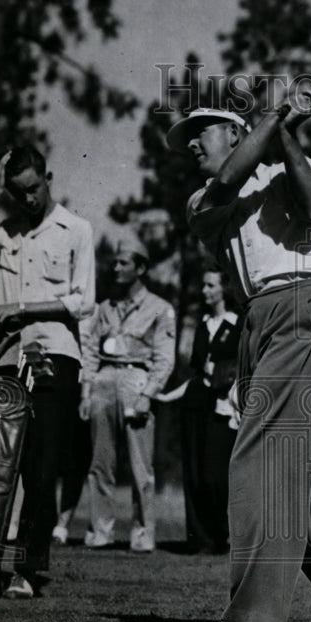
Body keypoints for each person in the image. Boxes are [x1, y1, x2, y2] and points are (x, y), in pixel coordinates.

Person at [174, 98, 311, 622]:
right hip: (256, 322)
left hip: (303, 309)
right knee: (279, 470)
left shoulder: (294, 170)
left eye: (201, 132)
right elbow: (229, 178)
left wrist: (284, 131)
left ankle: (253, 617)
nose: (190, 144)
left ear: (235, 130)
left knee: (256, 464)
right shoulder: (201, 199)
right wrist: (279, 115)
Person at [0, 146, 96, 598]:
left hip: (54, 357)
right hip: (8, 359)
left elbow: (82, 301)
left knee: (41, 464)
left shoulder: (76, 230)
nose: (28, 200)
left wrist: (18, 309)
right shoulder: (6, 232)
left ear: (48, 177)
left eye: (33, 189)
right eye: (19, 193)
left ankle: (30, 569)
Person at [78, 236, 175, 552]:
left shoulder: (159, 308)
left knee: (140, 466)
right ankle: (101, 531)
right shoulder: (104, 308)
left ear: (141, 268)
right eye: (115, 262)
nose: (116, 267)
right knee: (99, 463)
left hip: (137, 380)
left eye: (124, 263)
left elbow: (164, 356)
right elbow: (91, 350)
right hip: (104, 381)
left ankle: (143, 533)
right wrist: (86, 391)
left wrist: (149, 392)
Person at [157, 268, 239, 554]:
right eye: (203, 285)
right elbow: (198, 375)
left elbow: (242, 370)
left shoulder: (239, 324)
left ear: (224, 289)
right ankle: (200, 539)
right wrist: (168, 396)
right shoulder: (203, 326)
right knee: (193, 472)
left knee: (215, 475)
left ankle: (221, 536)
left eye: (210, 285)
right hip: (197, 402)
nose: (204, 291)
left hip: (226, 406)